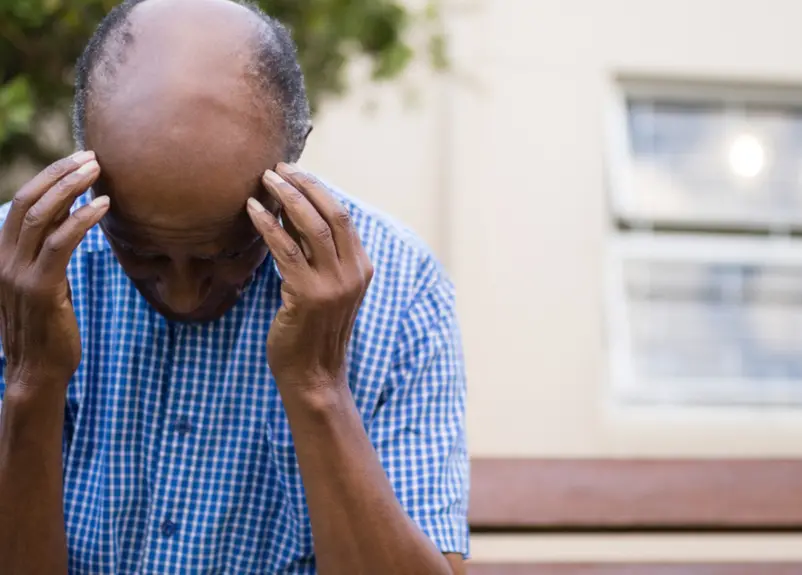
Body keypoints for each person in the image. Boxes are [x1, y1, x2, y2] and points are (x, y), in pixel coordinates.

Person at [0, 0, 468, 573]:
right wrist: (32, 381)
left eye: (224, 252)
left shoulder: (400, 285)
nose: (183, 293)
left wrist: (319, 388)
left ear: (293, 158)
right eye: (140, 251)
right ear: (84, 166)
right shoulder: (17, 270)